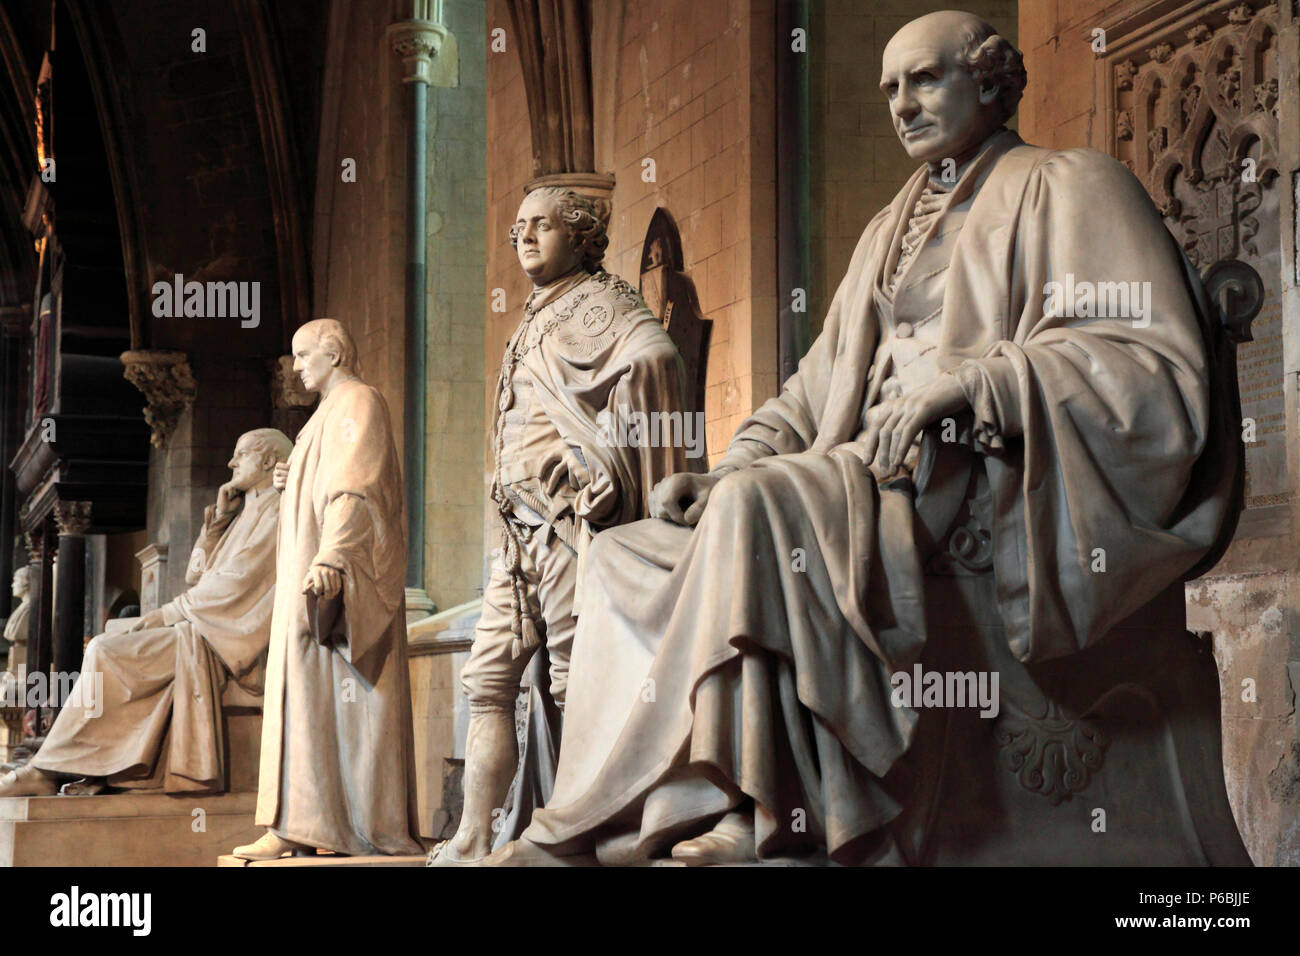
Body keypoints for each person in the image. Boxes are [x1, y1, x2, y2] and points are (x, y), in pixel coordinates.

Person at [486, 10, 1238, 866]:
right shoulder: (888, 230)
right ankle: (629, 815)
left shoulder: (1071, 186)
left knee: (760, 513)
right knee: (624, 552)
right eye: (888, 89)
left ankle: (764, 807)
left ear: (991, 82)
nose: (902, 106)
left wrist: (977, 383)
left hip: (967, 482)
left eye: (924, 80)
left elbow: (1146, 362)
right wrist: (731, 463)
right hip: (857, 477)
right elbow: (812, 389)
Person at [429, 187, 695, 865]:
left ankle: (581, 828)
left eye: (540, 226)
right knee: (488, 679)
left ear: (581, 238)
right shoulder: (534, 315)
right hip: (514, 535)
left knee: (577, 679)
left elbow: (657, 361)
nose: (523, 237)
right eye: (517, 227)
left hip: (570, 526)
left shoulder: (603, 302)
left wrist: (605, 456)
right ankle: (477, 832)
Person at [0, 429, 292, 796]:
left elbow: (235, 586)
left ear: (268, 460)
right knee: (109, 642)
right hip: (205, 626)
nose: (232, 463)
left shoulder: (280, 511)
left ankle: (52, 769)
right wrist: (216, 524)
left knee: (106, 649)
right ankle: (87, 768)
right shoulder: (241, 513)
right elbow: (195, 576)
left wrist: (159, 616)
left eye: (242, 454)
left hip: (227, 641)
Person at [234, 319, 423, 860]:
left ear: (333, 352)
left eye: (301, 355)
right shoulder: (322, 417)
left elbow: (356, 488)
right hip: (308, 575)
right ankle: (299, 822)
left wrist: (335, 555)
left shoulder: (358, 403)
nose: (295, 367)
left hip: (331, 576)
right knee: (304, 693)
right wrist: (290, 481)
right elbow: (325, 481)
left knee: (336, 698)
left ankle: (341, 825)